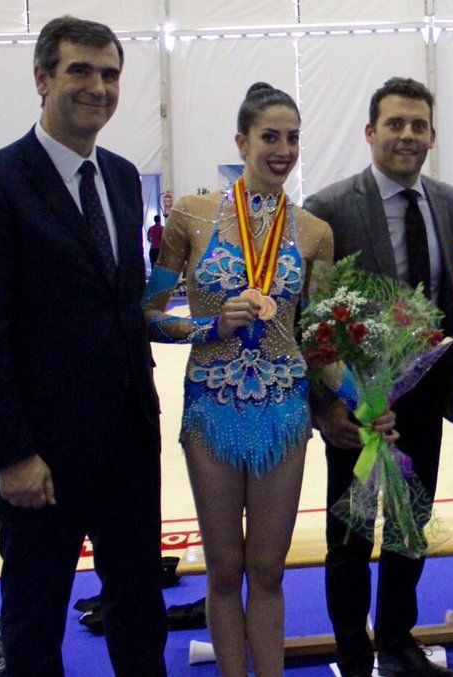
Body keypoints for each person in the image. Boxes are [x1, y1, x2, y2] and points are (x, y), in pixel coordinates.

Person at [0, 16, 166, 676]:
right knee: (35, 618)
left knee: (139, 609)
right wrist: (13, 454)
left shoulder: (126, 179)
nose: (97, 87)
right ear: (43, 78)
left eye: (109, 74)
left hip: (128, 443)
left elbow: (123, 305)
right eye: (80, 70)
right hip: (40, 455)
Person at [141, 82, 347, 676]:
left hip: (284, 407)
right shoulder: (191, 215)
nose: (282, 149)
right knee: (224, 568)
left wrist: (364, 400)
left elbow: (323, 338)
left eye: (292, 138)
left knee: (269, 568)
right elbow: (149, 316)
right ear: (242, 140)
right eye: (270, 137)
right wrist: (208, 327)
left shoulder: (314, 232)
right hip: (212, 406)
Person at [305, 76, 453, 677]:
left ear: (432, 135)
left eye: (418, 125)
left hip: (426, 395)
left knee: (410, 525)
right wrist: (328, 406)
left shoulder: (446, 198)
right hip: (359, 405)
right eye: (395, 124)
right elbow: (310, 319)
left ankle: (396, 639)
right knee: (351, 535)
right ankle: (351, 651)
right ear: (371, 132)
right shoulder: (331, 206)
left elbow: (451, 284)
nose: (407, 135)